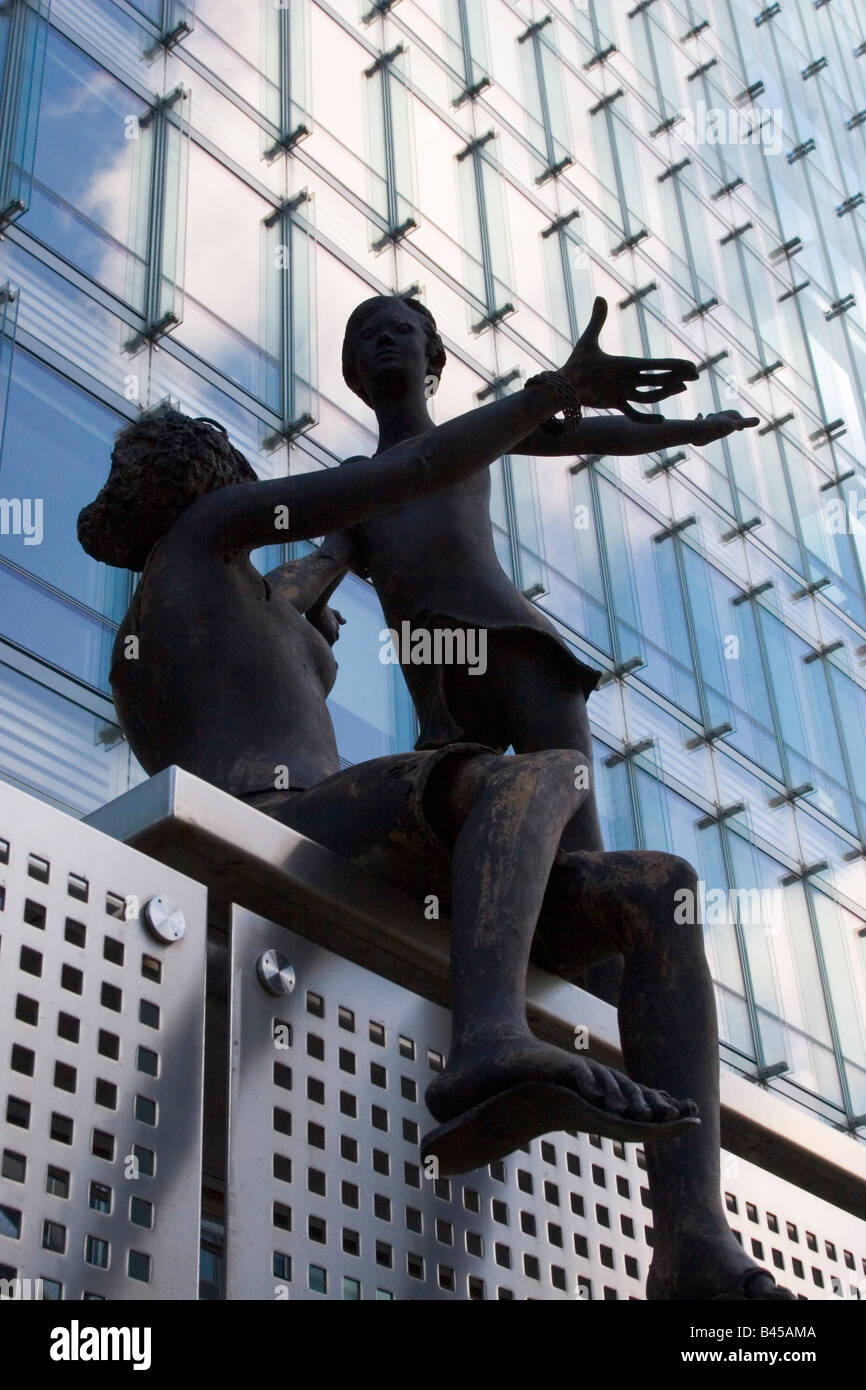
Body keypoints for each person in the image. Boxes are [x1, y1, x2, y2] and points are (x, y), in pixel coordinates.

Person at [78, 309, 792, 1298]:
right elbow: (403, 476)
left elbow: (330, 561)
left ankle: (690, 1242)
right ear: (210, 475)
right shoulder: (198, 542)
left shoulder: (243, 586)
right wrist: (549, 393)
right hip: (274, 818)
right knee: (521, 775)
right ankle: (488, 1039)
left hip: (354, 829)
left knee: (655, 888)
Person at [338, 293, 758, 861]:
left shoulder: (472, 436)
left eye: (401, 331)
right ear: (354, 370)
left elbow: (589, 437)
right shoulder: (353, 484)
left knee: (578, 849)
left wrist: (688, 430)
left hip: (522, 655)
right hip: (441, 689)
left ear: (432, 358)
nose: (385, 340)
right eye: (369, 335)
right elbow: (317, 569)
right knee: (463, 856)